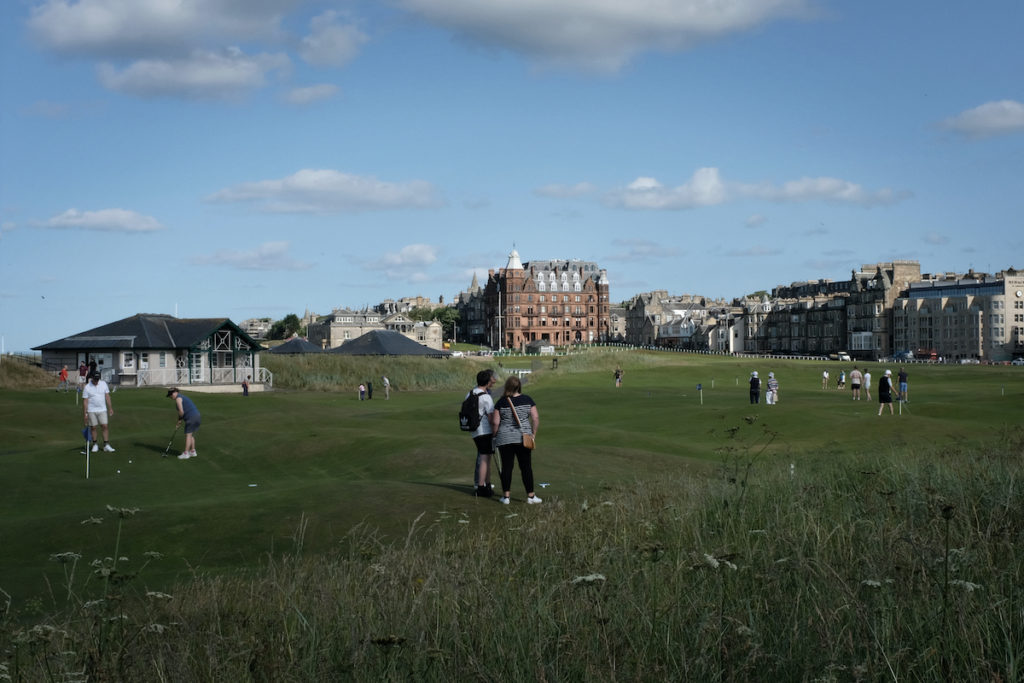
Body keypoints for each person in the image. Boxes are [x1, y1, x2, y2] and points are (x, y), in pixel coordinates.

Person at [490, 375, 541, 505]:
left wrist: (494, 436)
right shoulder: (527, 399)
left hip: (505, 438)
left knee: (507, 467)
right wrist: (533, 434)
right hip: (524, 437)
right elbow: (535, 418)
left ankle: (506, 497)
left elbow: (496, 422)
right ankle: (531, 496)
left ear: (507, 386)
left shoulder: (501, 402)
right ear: (519, 386)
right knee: (526, 467)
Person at [467, 369, 497, 497]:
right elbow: (491, 419)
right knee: (485, 459)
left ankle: (487, 485)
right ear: (487, 382)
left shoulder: (470, 393)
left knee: (485, 457)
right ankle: (481, 487)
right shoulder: (486, 397)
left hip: (474, 431)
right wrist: (496, 431)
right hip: (485, 430)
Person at [82, 371, 115, 452]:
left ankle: (106, 445)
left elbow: (107, 396)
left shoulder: (103, 384)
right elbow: (85, 401)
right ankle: (95, 444)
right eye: (95, 379)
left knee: (105, 426)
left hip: (102, 409)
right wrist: (85, 414)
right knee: (93, 427)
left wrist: (110, 408)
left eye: (97, 379)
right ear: (92, 378)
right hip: (91, 410)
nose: (96, 381)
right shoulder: (87, 387)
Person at [167, 388, 201, 459]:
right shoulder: (183, 397)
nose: (170, 397)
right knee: (191, 434)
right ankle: (192, 451)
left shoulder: (178, 399)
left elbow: (181, 411)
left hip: (191, 417)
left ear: (174, 393)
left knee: (188, 435)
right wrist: (180, 420)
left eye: (170, 395)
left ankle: (186, 453)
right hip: (197, 416)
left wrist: (179, 420)